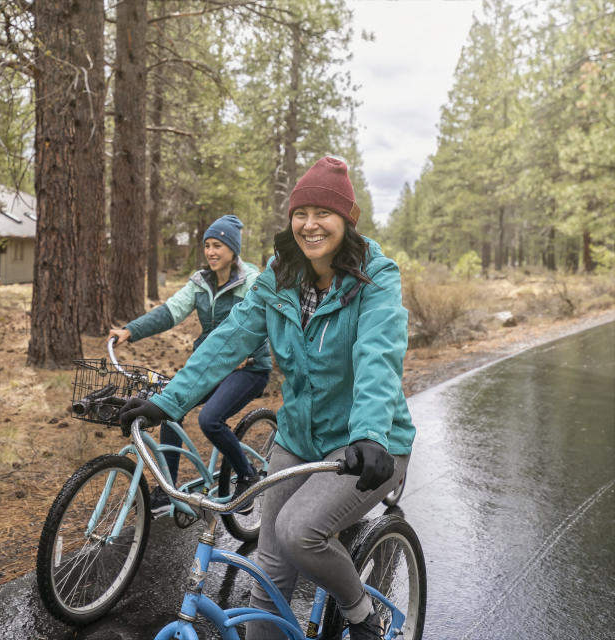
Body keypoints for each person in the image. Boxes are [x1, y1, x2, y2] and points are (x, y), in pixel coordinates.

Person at [120, 157, 415, 640]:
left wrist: (370, 435)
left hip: (371, 444)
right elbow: (228, 340)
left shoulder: (376, 279)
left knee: (300, 532)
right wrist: (167, 403)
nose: (310, 224)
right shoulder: (278, 279)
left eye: (324, 212)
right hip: (297, 438)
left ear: (347, 220)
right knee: (270, 571)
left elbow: (377, 358)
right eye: (301, 212)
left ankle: (363, 614)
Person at [109, 214, 272, 513]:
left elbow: (265, 323)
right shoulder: (200, 282)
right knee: (171, 409)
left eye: (218, 246)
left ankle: (248, 476)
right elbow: (170, 312)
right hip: (210, 366)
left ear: (233, 249)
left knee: (210, 420)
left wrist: (247, 356)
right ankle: (168, 486)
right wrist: (130, 331)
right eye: (207, 245)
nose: (211, 252)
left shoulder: (252, 282)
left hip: (248, 368)